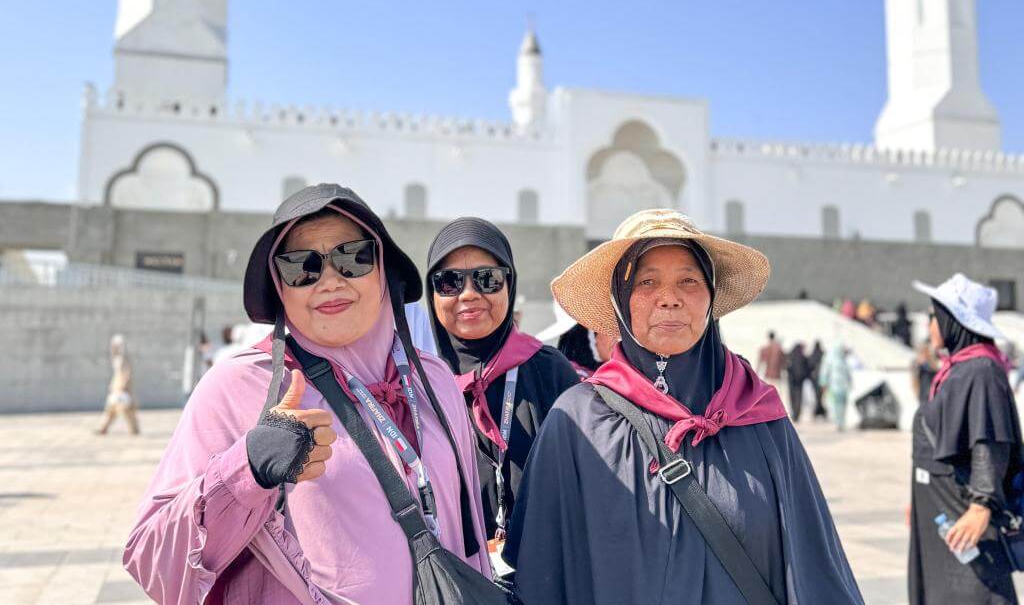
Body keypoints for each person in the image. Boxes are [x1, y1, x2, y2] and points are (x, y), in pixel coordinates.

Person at [124, 184, 492, 603]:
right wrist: (246, 470)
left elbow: (470, 535)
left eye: (354, 257)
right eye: (302, 266)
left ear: (384, 269)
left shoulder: (434, 380)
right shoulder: (242, 387)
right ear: (280, 286)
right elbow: (151, 559)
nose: (330, 280)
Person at [503, 209, 863, 604]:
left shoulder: (758, 415)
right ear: (620, 302)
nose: (670, 298)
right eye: (647, 281)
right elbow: (542, 575)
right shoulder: (577, 422)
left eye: (688, 280)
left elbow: (814, 567)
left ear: (710, 297)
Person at [425, 217, 579, 563]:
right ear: (431, 294)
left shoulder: (549, 371)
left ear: (509, 284)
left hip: (545, 571)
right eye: (449, 282)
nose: (468, 294)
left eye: (487, 279)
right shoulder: (418, 382)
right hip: (449, 578)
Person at [908, 274, 1021, 605]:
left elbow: (990, 439)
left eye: (933, 316)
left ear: (951, 319)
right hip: (938, 505)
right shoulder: (958, 369)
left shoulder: (980, 370)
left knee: (974, 590)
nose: (929, 325)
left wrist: (982, 505)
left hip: (961, 508)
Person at [96, 334, 140, 435]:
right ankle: (103, 428)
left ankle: (134, 429)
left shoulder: (124, 359)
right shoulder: (117, 359)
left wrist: (123, 386)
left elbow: (126, 374)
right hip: (116, 388)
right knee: (112, 410)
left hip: (122, 389)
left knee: (124, 410)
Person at [818, 343, 853, 432]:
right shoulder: (831, 360)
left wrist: (850, 383)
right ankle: (838, 423)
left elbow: (848, 374)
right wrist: (823, 382)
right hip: (834, 387)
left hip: (843, 387)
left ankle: (842, 422)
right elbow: (825, 372)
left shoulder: (844, 361)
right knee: (837, 405)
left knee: (843, 405)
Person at [786, 342, 811, 422]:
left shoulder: (790, 356)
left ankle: (794, 414)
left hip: (791, 381)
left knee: (792, 398)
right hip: (799, 381)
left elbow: (787, 367)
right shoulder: (803, 357)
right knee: (798, 398)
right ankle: (796, 415)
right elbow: (808, 369)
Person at [911, 341, 940, 406]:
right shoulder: (918, 366)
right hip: (924, 397)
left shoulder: (931, 365)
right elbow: (915, 384)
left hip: (932, 396)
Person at [808, 339, 828, 420]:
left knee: (817, 396)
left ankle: (818, 412)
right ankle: (821, 412)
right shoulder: (823, 354)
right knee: (821, 396)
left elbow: (810, 365)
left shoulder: (813, 355)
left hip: (815, 379)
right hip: (822, 378)